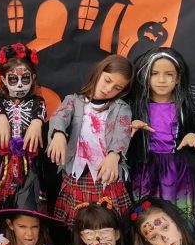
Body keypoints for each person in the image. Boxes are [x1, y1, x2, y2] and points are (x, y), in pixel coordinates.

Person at [48, 54, 134, 226]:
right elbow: (59, 117)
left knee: (108, 223)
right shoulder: (74, 101)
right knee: (77, 225)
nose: (108, 89)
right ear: (99, 72)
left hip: (106, 176)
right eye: (107, 80)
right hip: (78, 175)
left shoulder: (121, 108)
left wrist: (114, 155)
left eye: (117, 87)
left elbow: (122, 132)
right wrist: (58, 134)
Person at [127, 48, 195, 225]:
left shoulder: (186, 106)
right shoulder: (135, 106)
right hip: (145, 170)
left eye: (169, 74)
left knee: (177, 218)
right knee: (145, 217)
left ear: (178, 78)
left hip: (176, 171)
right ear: (145, 76)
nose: (162, 80)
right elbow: (123, 146)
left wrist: (192, 137)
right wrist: (131, 130)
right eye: (154, 74)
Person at [0, 43, 46, 214]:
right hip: (3, 163)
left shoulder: (38, 103)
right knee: (2, 204)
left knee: (29, 204)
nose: (19, 85)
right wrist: (2, 118)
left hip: (29, 163)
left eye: (25, 79)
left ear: (33, 78)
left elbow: (40, 114)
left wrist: (36, 123)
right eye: (13, 79)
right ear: (4, 80)